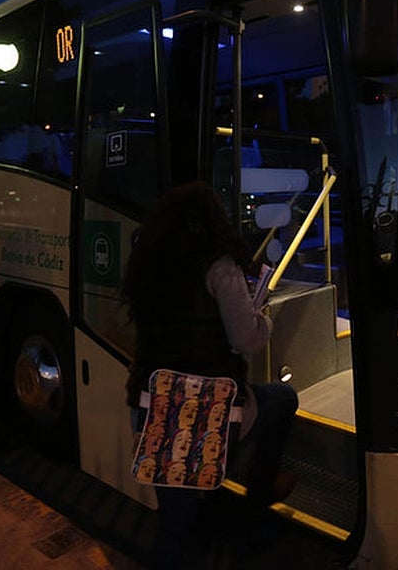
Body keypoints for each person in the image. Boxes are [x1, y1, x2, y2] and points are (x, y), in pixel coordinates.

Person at [123, 180, 299, 567]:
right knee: (284, 400)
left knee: (175, 520)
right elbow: (246, 337)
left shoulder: (146, 261)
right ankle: (258, 498)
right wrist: (262, 319)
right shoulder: (219, 265)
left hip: (149, 407)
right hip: (205, 412)